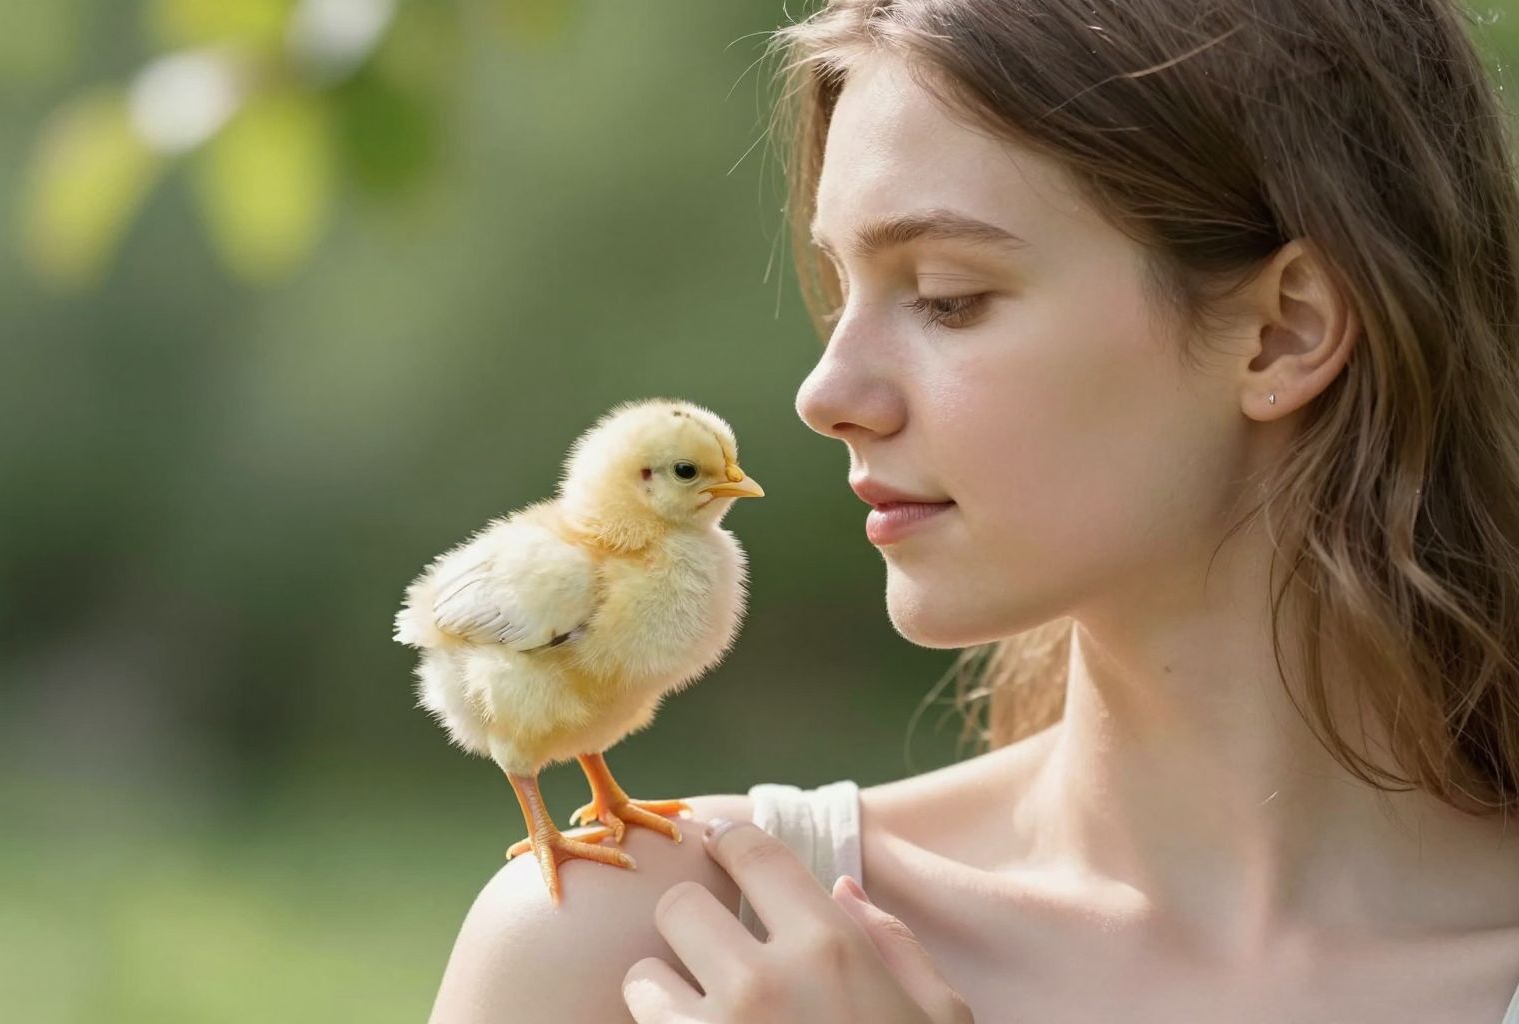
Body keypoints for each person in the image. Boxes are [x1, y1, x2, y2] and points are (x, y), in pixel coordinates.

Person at [428, 0, 1519, 1020]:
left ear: (1283, 331)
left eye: (949, 297)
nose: (825, 395)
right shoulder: (638, 948)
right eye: (841, 288)